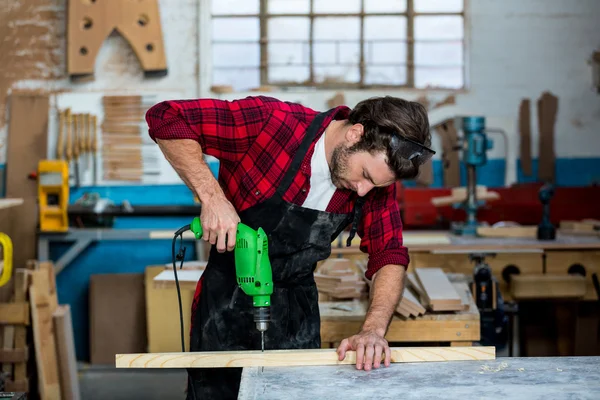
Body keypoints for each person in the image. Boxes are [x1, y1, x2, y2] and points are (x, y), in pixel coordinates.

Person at [145, 95, 433, 399]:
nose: (364, 190)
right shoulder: (272, 123)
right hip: (224, 303)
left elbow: (388, 253)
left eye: (376, 185)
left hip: (296, 310)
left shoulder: (374, 182)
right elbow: (167, 117)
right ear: (355, 133)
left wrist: (373, 331)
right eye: (364, 176)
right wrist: (213, 198)